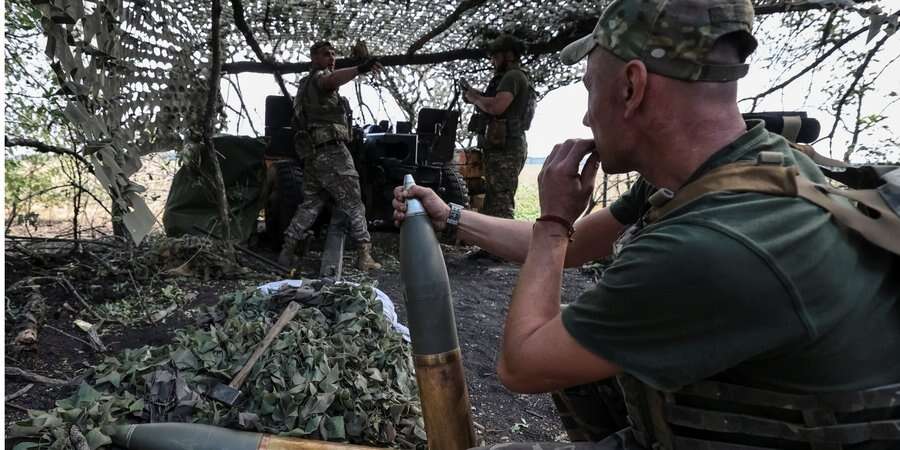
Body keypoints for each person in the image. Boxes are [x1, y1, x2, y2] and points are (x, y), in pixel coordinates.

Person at [393, 1, 900, 449]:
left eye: (591, 89)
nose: (588, 119)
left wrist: (551, 220)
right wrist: (453, 216)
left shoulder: (715, 244)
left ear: (632, 86)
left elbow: (525, 364)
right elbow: (575, 247)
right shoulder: (731, 169)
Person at [279, 41, 382, 272]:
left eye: (334, 54)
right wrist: (359, 69)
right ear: (314, 58)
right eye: (326, 54)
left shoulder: (304, 85)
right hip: (332, 152)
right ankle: (364, 254)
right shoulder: (319, 78)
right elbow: (330, 81)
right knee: (354, 201)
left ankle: (287, 250)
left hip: (314, 156)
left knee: (311, 204)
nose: (332, 58)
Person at [463, 34, 535, 220]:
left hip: (506, 149)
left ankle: (502, 249)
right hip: (503, 146)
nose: (492, 60)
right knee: (494, 200)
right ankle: (489, 248)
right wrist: (476, 95)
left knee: (501, 204)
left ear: (509, 55)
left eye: (495, 56)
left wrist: (474, 98)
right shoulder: (515, 76)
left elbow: (496, 107)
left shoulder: (512, 77)